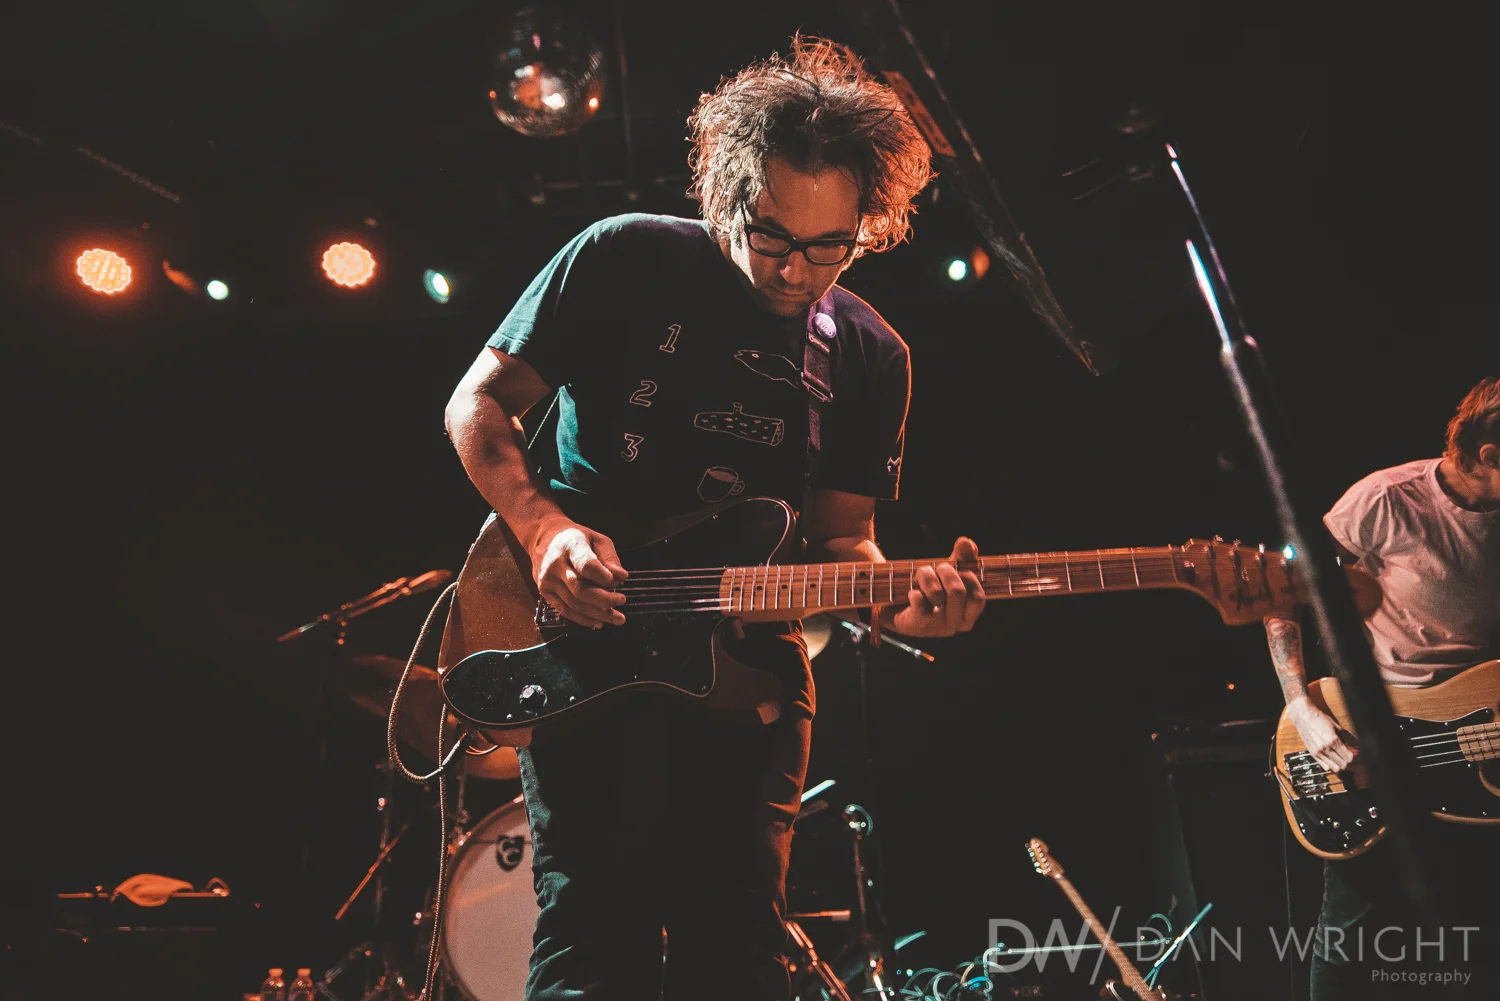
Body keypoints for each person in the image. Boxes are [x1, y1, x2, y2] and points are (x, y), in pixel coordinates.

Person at [444, 36, 987, 1000]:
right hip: (581, 638)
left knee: (739, 945)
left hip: (750, 670)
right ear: (728, 197)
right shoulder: (625, 256)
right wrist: (544, 530)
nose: (797, 271)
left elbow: (843, 542)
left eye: (831, 246)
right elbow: (476, 403)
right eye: (773, 236)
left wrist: (901, 604)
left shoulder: (869, 354)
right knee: (589, 933)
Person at [1263, 375, 1499, 998]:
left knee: (1478, 944)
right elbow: (1280, 592)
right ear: (1489, 455)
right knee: (1350, 942)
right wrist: (1301, 705)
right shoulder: (1385, 500)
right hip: (1380, 739)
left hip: (1486, 741)